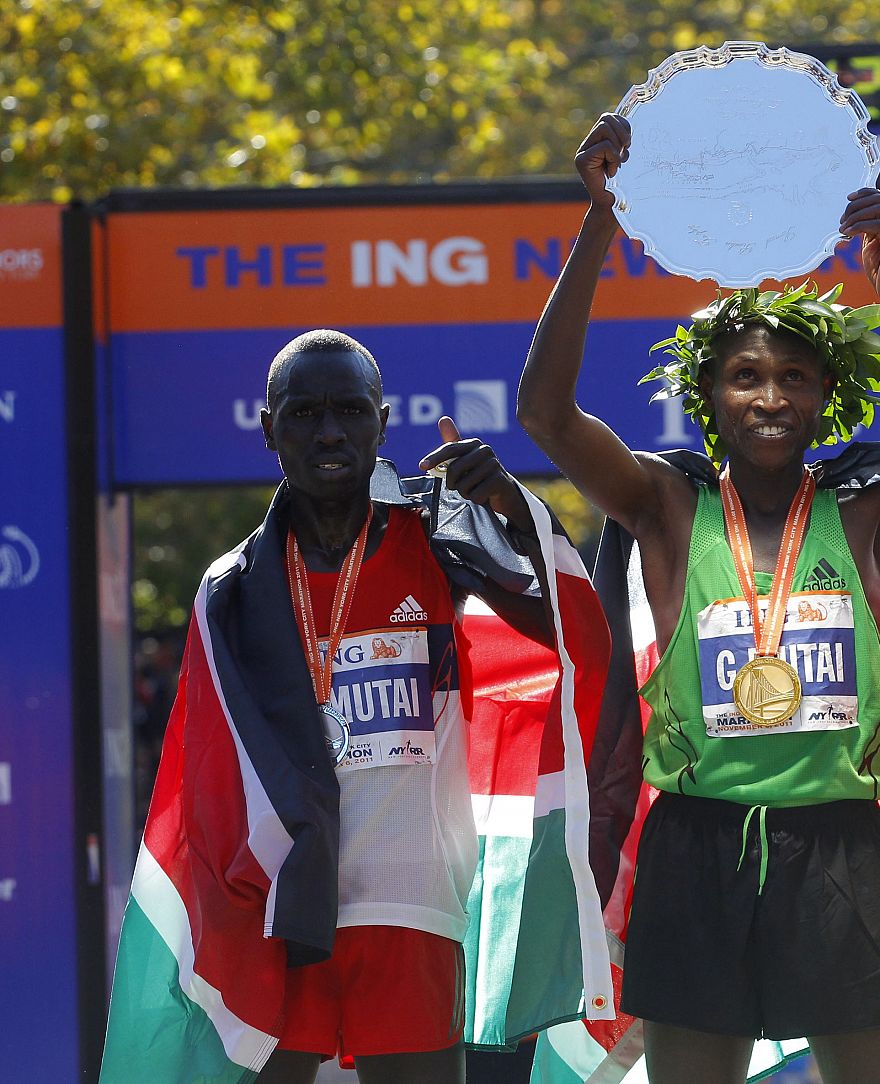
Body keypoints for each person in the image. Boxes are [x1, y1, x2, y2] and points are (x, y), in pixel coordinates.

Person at [517, 113, 880, 1084]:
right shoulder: (665, 506)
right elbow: (544, 411)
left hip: (840, 843)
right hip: (695, 844)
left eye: (794, 378)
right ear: (706, 392)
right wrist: (598, 221)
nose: (769, 398)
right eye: (745, 376)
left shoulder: (869, 509)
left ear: (824, 397)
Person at [102, 330, 611, 1084]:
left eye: (349, 410)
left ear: (382, 419)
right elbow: (206, 773)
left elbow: (571, 630)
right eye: (305, 414)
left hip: (412, 896)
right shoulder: (235, 588)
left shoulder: (438, 538)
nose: (330, 431)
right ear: (269, 427)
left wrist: (506, 506)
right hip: (284, 903)